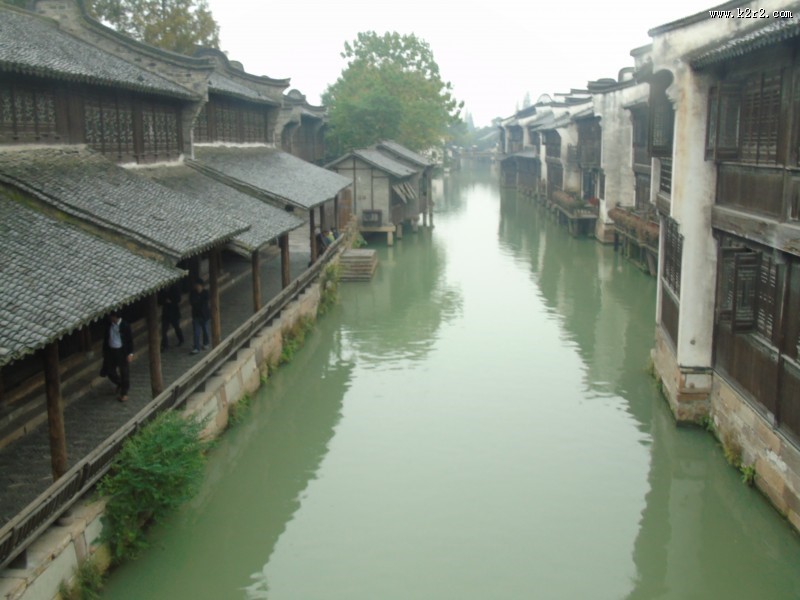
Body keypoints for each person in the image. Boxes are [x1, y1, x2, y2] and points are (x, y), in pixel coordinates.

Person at [101, 310, 133, 402]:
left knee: (124, 372)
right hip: (111, 351)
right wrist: (104, 350)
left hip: (121, 351)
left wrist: (130, 353)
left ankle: (124, 393)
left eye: (111, 317)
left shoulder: (125, 325)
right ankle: (119, 383)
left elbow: (129, 340)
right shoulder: (109, 325)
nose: (110, 319)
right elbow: (106, 338)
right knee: (109, 370)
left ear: (115, 317)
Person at [160, 283, 184, 351]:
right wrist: (164, 301)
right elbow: (160, 300)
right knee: (164, 330)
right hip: (166, 313)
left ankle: (181, 340)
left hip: (174, 312)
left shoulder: (174, 288)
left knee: (176, 327)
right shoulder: (162, 290)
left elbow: (178, 299)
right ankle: (165, 345)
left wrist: (171, 301)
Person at [189, 278, 211, 354]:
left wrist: (197, 302)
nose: (197, 287)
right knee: (196, 332)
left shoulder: (205, 293)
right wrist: (198, 303)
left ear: (201, 286)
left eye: (198, 285)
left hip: (204, 316)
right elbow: (192, 302)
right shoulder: (192, 293)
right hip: (196, 316)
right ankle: (196, 347)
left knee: (205, 331)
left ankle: (206, 343)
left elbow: (204, 303)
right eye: (196, 285)